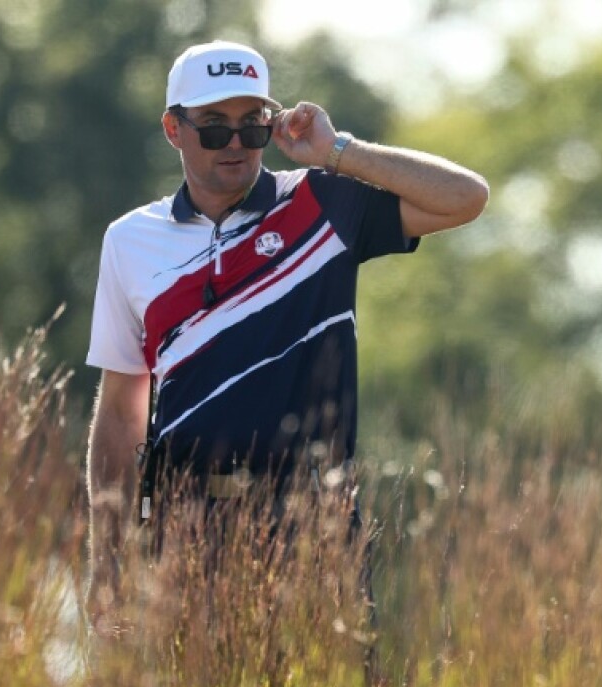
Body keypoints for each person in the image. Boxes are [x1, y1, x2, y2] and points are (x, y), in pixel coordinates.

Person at [85, 40, 488, 633]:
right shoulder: (129, 241)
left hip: (314, 525)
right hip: (184, 527)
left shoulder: (321, 202)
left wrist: (338, 152)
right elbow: (120, 416)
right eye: (214, 128)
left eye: (253, 127)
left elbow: (465, 197)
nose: (236, 146)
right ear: (174, 129)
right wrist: (108, 559)